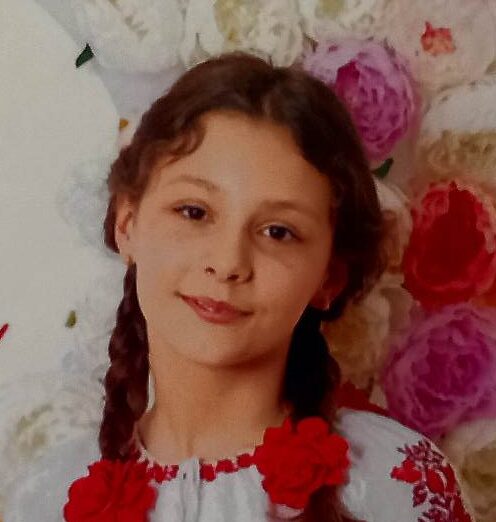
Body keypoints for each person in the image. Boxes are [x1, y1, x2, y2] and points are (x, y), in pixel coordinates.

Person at [3, 52, 474, 522]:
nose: (228, 263)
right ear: (126, 224)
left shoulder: (395, 484)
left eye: (278, 232)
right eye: (194, 212)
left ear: (329, 277)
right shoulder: (47, 496)